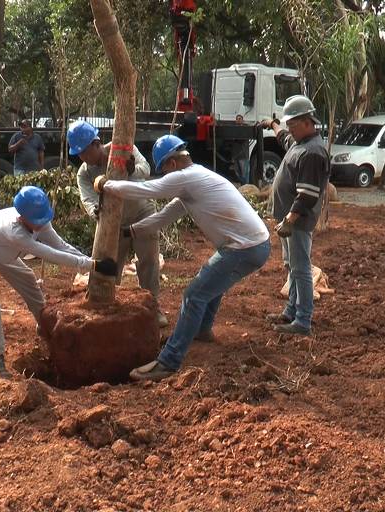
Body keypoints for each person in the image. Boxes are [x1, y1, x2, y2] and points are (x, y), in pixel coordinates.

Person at [94, 135, 271, 382]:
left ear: (172, 164)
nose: (165, 175)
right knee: (211, 283)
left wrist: (106, 185)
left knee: (194, 294)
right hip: (252, 244)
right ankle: (201, 330)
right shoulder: (194, 182)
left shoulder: (187, 178)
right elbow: (163, 217)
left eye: (164, 169)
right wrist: (130, 231)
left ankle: (169, 361)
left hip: (245, 247)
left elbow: (147, 189)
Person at [0, 186, 117, 378]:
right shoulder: (13, 231)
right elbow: (50, 254)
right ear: (22, 216)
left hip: (2, 251)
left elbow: (59, 245)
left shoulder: (39, 220)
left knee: (28, 278)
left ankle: (46, 326)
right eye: (36, 221)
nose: (41, 225)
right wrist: (93, 266)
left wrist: (91, 262)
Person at [67, 120, 168, 328]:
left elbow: (145, 169)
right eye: (79, 154)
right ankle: (106, 306)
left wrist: (132, 169)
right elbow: (87, 199)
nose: (83, 158)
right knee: (109, 265)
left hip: (142, 211)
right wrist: (96, 210)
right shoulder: (84, 173)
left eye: (85, 152)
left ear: (96, 144)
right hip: (113, 221)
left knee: (149, 261)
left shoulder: (122, 148)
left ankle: (153, 308)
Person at [260, 95, 330, 335]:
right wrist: (272, 124)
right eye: (287, 124)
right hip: (289, 220)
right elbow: (284, 138)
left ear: (307, 122)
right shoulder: (300, 143)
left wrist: (290, 220)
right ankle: (291, 311)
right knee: (292, 266)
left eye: (293, 124)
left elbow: (308, 194)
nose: (289, 128)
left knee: (300, 268)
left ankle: (303, 320)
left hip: (297, 221)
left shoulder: (312, 152)